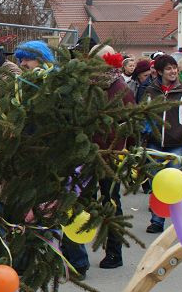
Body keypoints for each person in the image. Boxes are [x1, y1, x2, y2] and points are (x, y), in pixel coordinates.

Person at [14, 40, 90, 277]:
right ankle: (26, 263)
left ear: (44, 60)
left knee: (63, 209)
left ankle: (78, 262)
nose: (23, 64)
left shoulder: (60, 89)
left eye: (28, 58)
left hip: (59, 161)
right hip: (33, 160)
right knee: (31, 210)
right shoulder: (24, 88)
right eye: (21, 59)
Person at [140, 54, 182, 232]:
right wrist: (147, 130)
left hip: (177, 144)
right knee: (156, 183)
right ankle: (157, 221)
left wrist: (181, 131)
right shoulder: (150, 91)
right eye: (168, 68)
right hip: (154, 144)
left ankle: (180, 224)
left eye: (174, 68)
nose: (173, 71)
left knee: (175, 185)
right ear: (159, 71)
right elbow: (142, 113)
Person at [93, 50, 138, 267]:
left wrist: (126, 150)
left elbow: (130, 125)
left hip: (110, 155)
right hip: (88, 154)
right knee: (85, 200)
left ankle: (114, 251)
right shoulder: (89, 86)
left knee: (110, 201)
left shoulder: (120, 89)